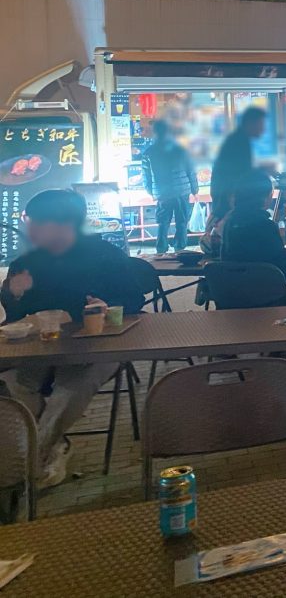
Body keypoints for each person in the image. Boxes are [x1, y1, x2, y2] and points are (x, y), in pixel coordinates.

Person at [0, 190, 144, 488]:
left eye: (35, 221)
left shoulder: (104, 255)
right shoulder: (28, 262)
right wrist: (14, 293)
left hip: (98, 346)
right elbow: (16, 315)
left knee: (70, 388)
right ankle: (54, 447)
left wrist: (107, 305)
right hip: (42, 346)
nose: (30, 229)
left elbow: (133, 300)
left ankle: (32, 460)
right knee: (14, 382)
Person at [221, 171, 286, 282]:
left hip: (234, 289)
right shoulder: (266, 226)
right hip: (265, 290)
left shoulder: (229, 224)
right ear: (265, 197)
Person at [142, 119, 198, 254]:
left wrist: (152, 192)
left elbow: (146, 177)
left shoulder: (149, 152)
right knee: (182, 221)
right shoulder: (181, 150)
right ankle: (180, 248)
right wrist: (195, 190)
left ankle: (161, 249)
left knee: (163, 222)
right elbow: (191, 171)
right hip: (181, 191)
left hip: (162, 192)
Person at [210, 106, 267, 219]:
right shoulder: (239, 142)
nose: (263, 129)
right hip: (229, 199)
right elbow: (241, 173)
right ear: (250, 123)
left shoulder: (238, 139)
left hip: (226, 197)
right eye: (260, 124)